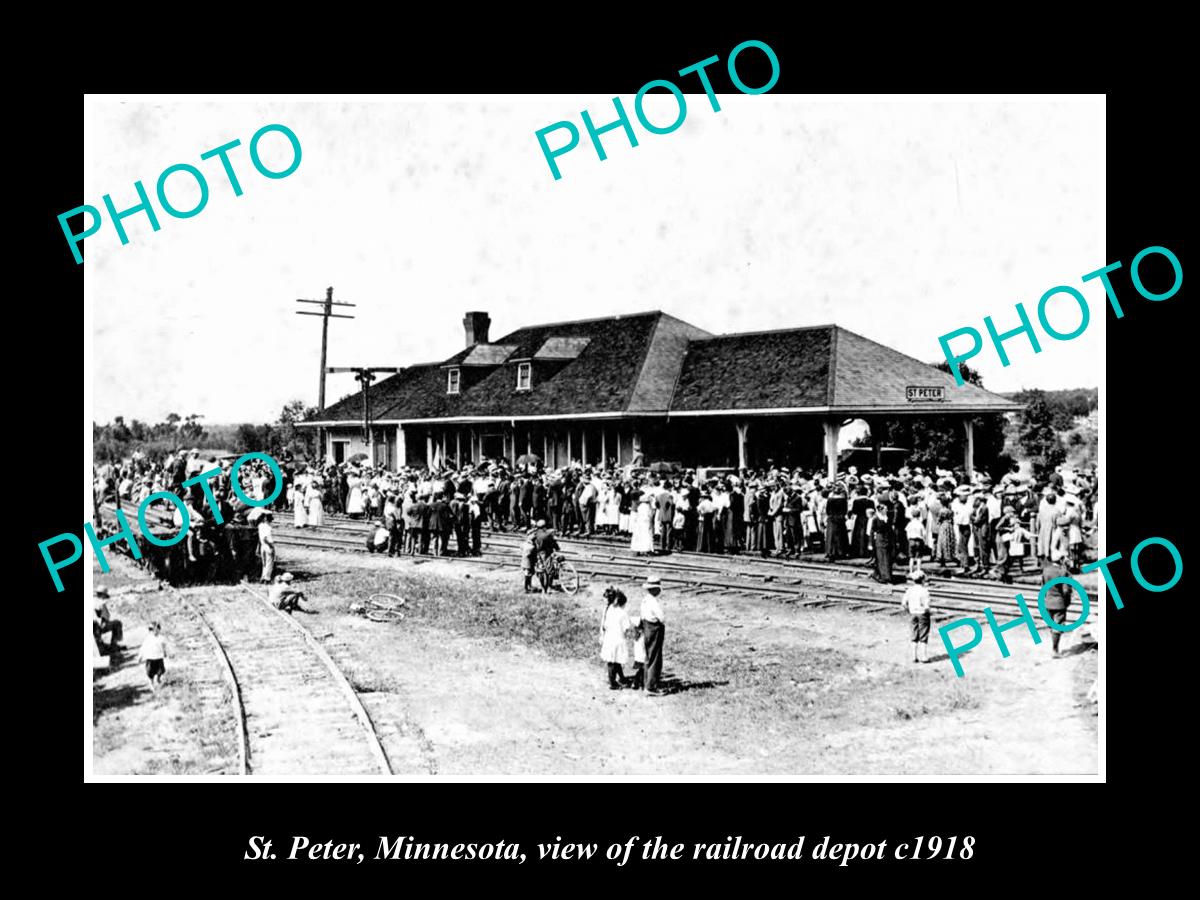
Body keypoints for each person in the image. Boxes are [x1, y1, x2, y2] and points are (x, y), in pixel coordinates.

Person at [599, 586, 634, 690]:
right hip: (618, 639)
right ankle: (612, 683)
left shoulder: (609, 609)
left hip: (609, 638)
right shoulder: (623, 613)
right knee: (613, 661)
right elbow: (626, 628)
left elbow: (605, 625)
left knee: (613, 660)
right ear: (622, 603)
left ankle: (621, 678)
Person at [1041, 548, 1074, 658]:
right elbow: (1066, 590)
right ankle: (1055, 650)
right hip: (1059, 603)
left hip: (1048, 602)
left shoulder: (1046, 570)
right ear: (1060, 560)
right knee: (1058, 626)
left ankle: (1054, 647)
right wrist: (1067, 600)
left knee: (1052, 626)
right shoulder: (1062, 572)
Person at [640, 575, 667, 695]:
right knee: (655, 658)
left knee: (649, 656)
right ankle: (651, 687)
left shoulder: (645, 600)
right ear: (655, 589)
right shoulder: (653, 602)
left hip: (646, 627)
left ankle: (647, 682)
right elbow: (662, 618)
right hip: (654, 629)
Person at [901, 570, 932, 663]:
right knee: (923, 634)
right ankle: (923, 656)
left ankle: (914, 656)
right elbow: (926, 606)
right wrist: (929, 612)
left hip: (912, 613)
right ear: (922, 580)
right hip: (922, 613)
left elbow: (903, 603)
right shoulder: (924, 591)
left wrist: (909, 610)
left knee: (914, 633)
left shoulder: (909, 590)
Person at [92, 586, 122, 652]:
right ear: (103, 595)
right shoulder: (101, 603)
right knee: (117, 623)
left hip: (94, 627)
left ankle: (101, 644)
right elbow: (103, 617)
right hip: (96, 627)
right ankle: (114, 645)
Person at [138, 622, 167, 691]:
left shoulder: (161, 638)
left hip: (159, 657)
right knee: (150, 672)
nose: (153, 632)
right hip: (150, 658)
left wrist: (165, 652)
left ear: (159, 630)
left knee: (160, 670)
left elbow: (163, 646)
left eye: (155, 630)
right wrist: (140, 656)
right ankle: (151, 683)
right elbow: (143, 648)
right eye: (151, 630)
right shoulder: (148, 639)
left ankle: (158, 679)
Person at [257, 512, 276, 583]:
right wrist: (271, 546)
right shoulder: (268, 527)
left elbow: (261, 538)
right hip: (268, 545)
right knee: (269, 562)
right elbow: (266, 538)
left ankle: (263, 576)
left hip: (262, 545)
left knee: (264, 562)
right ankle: (267, 578)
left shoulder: (260, 525)